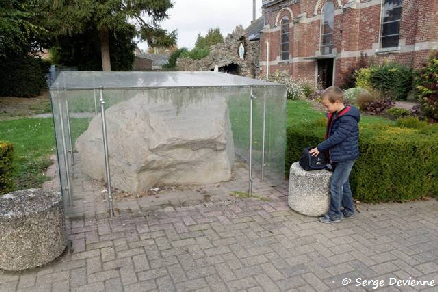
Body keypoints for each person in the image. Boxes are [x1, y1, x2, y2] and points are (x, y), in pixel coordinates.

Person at [309, 86, 360, 223]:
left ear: (337, 101)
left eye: (327, 106)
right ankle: (349, 211)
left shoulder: (348, 119)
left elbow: (337, 137)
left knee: (336, 185)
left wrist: (319, 148)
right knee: (344, 184)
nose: (326, 109)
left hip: (345, 157)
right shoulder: (338, 114)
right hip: (341, 155)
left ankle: (334, 215)